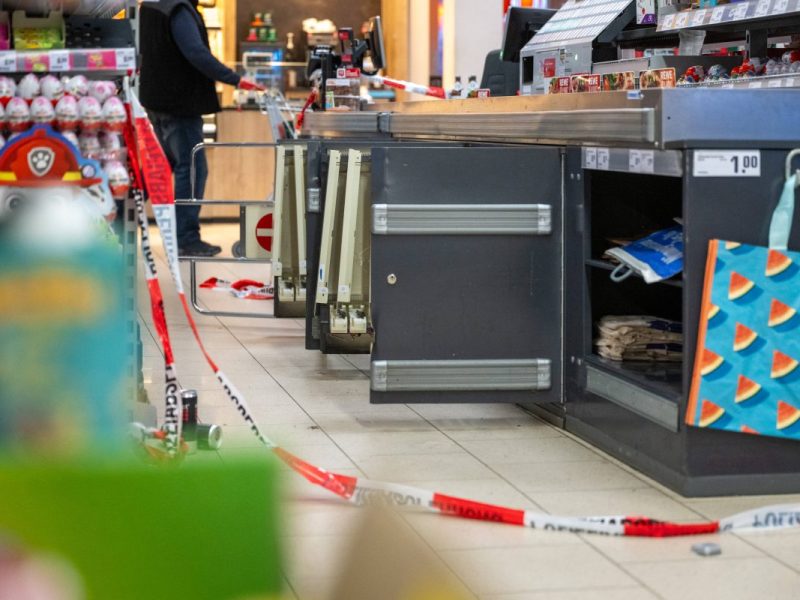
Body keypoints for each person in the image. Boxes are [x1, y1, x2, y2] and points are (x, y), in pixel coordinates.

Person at [139, 0, 262, 257]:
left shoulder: (150, 5)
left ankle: (120, 213)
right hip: (179, 104)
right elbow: (196, 53)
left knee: (160, 167)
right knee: (193, 169)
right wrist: (236, 80)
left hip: (155, 100)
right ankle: (186, 238)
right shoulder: (179, 10)